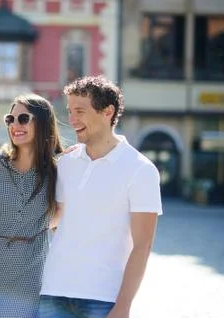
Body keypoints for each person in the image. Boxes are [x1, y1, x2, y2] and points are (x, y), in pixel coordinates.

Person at [39, 75, 163, 318]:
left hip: (103, 297)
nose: (72, 120)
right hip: (53, 291)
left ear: (107, 112)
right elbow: (56, 219)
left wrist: (124, 305)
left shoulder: (141, 170)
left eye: (80, 111)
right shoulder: (66, 162)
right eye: (70, 111)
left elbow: (142, 245)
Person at [0, 93, 63, 318]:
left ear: (43, 123)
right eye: (10, 119)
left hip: (30, 283)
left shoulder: (58, 172)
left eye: (23, 118)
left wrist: (34, 228)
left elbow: (61, 215)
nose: (15, 125)